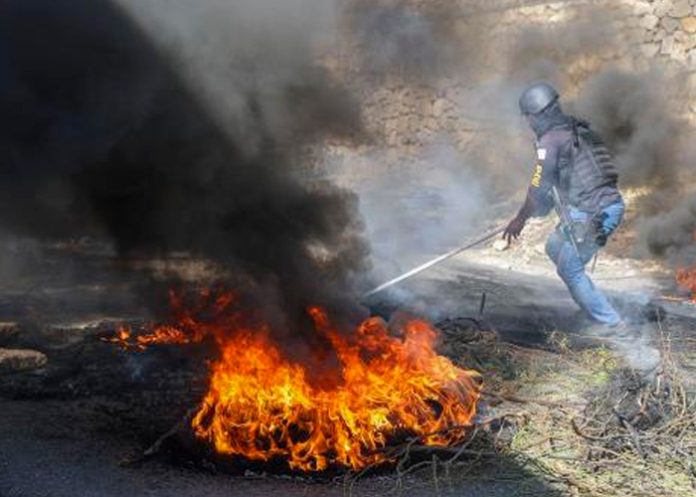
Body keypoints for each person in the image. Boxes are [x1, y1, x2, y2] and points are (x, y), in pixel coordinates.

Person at [503, 82, 626, 332]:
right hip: (599, 208)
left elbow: (537, 187)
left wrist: (520, 220)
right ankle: (592, 305)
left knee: (569, 269)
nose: (528, 123)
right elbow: (567, 181)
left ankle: (611, 323)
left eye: (528, 118)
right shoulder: (579, 130)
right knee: (554, 246)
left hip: (594, 214)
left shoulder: (550, 141)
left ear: (539, 114)